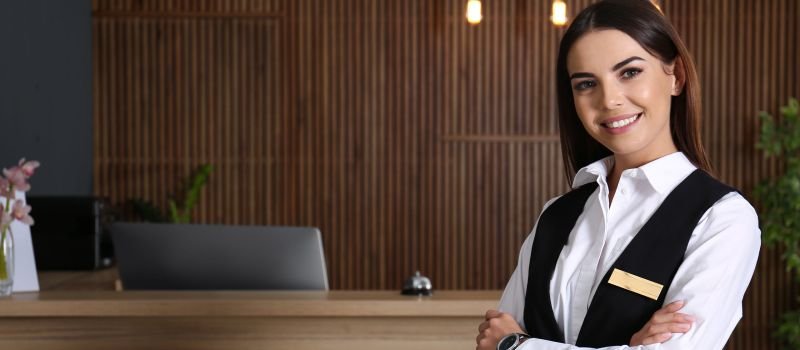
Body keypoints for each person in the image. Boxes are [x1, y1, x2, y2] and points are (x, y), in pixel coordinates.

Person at [475, 1, 760, 349]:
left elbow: (502, 342)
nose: (609, 100)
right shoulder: (555, 215)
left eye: (629, 73)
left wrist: (517, 345)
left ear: (677, 77)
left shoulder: (723, 219)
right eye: (585, 84)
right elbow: (492, 339)